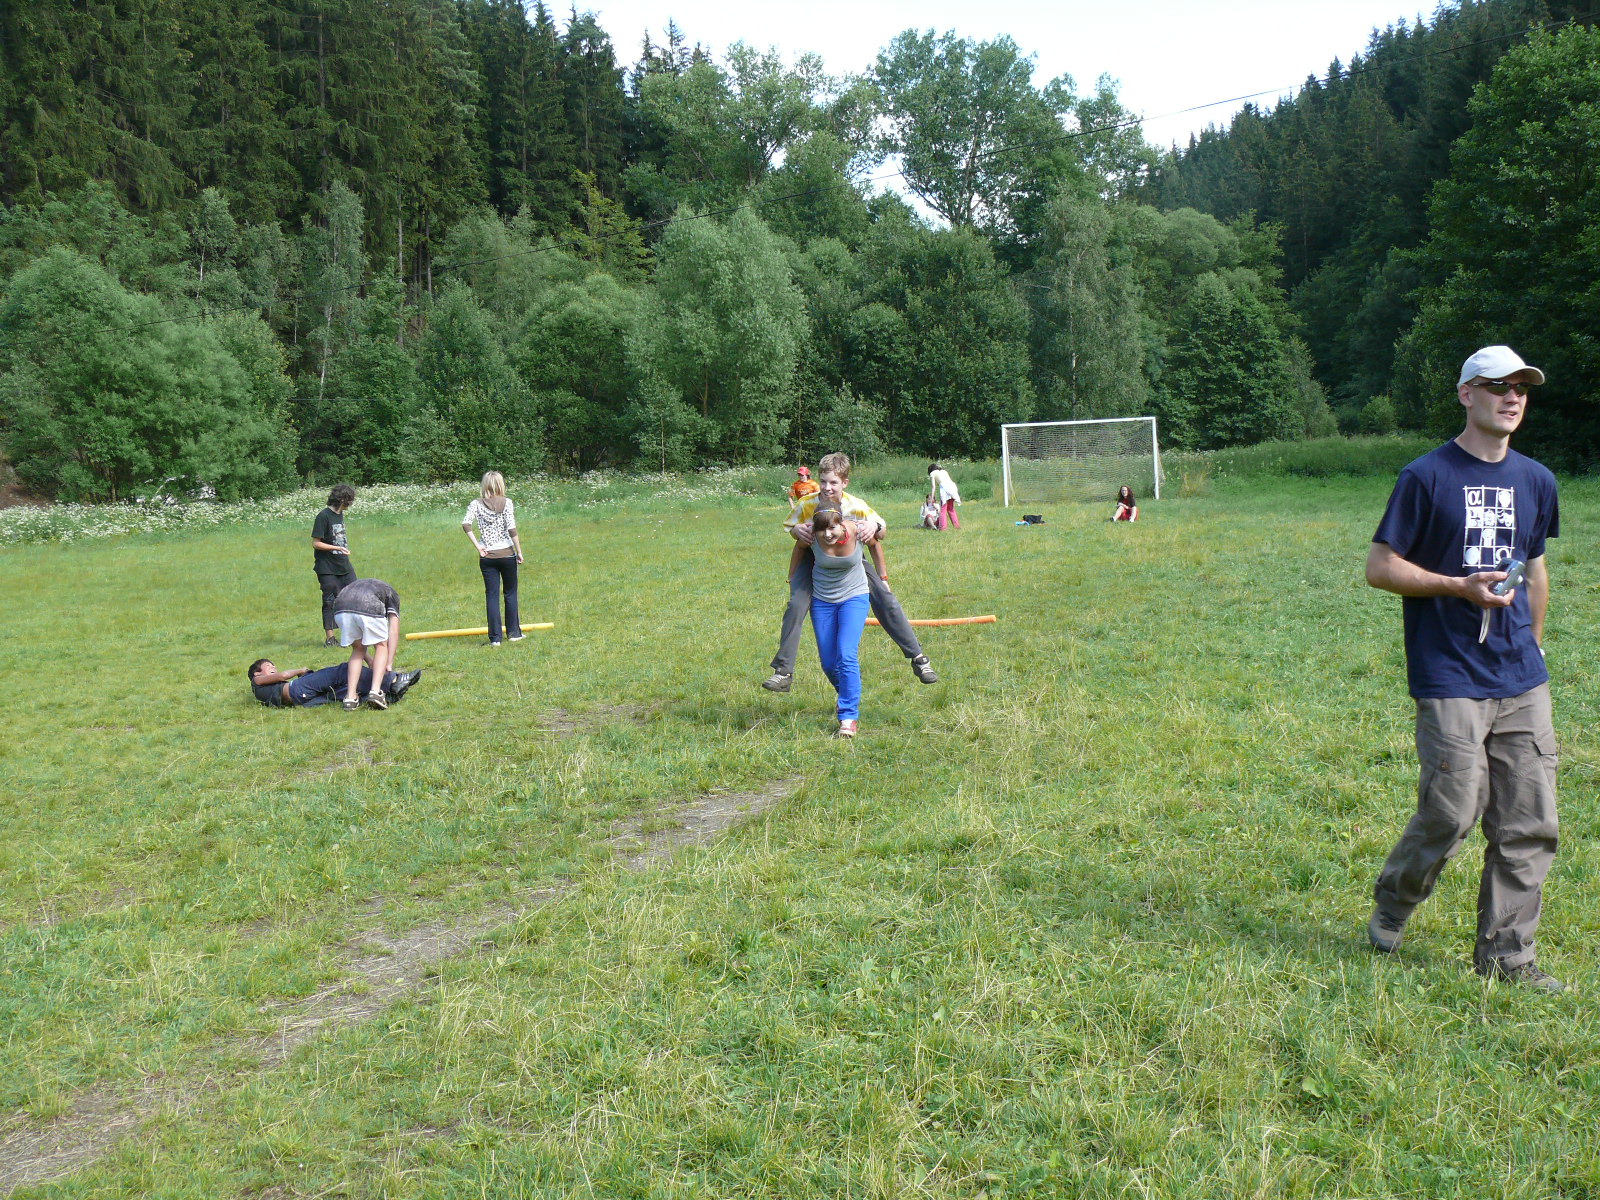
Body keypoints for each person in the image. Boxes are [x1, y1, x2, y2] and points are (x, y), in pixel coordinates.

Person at [1363, 344, 1562, 992]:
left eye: (1521, 388)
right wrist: (1456, 586)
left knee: (1529, 821)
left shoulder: (1537, 480)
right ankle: (1396, 899)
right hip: (1449, 671)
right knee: (1452, 810)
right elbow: (1380, 567)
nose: (1513, 397)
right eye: (1498, 386)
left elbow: (1535, 570)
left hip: (1520, 676)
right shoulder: (1426, 476)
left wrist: (1532, 646)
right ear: (1466, 394)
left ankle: (1508, 956)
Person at [763, 451, 938, 693]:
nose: (827, 488)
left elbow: (881, 533)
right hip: (813, 558)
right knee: (796, 604)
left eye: (833, 482)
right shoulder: (807, 503)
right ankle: (783, 672)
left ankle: (919, 659)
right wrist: (796, 531)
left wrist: (873, 526)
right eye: (823, 481)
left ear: (844, 483)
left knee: (885, 598)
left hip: (849, 560)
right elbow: (792, 528)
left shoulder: (855, 506)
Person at [808, 506, 871, 737]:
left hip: (855, 596)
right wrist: (792, 581)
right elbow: (797, 546)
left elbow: (877, 541)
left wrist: (883, 578)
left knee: (846, 654)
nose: (827, 534)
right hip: (822, 600)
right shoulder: (811, 537)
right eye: (821, 529)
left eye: (832, 527)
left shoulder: (856, 531)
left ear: (841, 524)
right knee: (828, 663)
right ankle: (848, 690)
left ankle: (848, 716)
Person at [462, 470, 524, 646]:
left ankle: (495, 638)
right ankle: (514, 633)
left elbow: (466, 524)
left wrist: (478, 546)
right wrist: (519, 551)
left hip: (487, 556)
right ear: (500, 485)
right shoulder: (507, 502)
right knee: (510, 593)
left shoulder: (475, 504)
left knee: (492, 595)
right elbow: (511, 529)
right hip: (507, 554)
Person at [332, 577, 401, 711]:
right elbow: (393, 630)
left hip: (340, 607)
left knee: (358, 649)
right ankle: (375, 692)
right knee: (381, 645)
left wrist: (370, 661)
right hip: (368, 605)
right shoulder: (392, 594)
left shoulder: (367, 587)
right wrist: (389, 663)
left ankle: (350, 698)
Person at [247, 659, 422, 708]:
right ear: (257, 672)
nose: (274, 668)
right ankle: (394, 680)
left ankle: (391, 696)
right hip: (297, 689)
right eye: (269, 666)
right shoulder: (256, 681)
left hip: (301, 700)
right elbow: (283, 675)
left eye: (274, 666)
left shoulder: (263, 694)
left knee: (345, 691)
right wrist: (301, 670)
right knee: (344, 671)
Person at [311, 484, 357, 646]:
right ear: (342, 499)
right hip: (327, 568)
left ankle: (352, 633)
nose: (351, 503)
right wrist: (336, 548)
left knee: (354, 595)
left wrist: (341, 550)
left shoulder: (340, 514)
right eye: (350, 500)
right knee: (330, 601)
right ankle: (330, 638)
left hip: (343, 565)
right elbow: (316, 543)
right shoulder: (323, 516)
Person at [927, 462, 962, 530]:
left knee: (943, 509)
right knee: (950, 508)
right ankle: (957, 526)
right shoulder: (944, 471)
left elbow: (933, 487)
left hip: (944, 488)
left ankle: (943, 527)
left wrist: (932, 497)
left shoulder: (932, 473)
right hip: (952, 487)